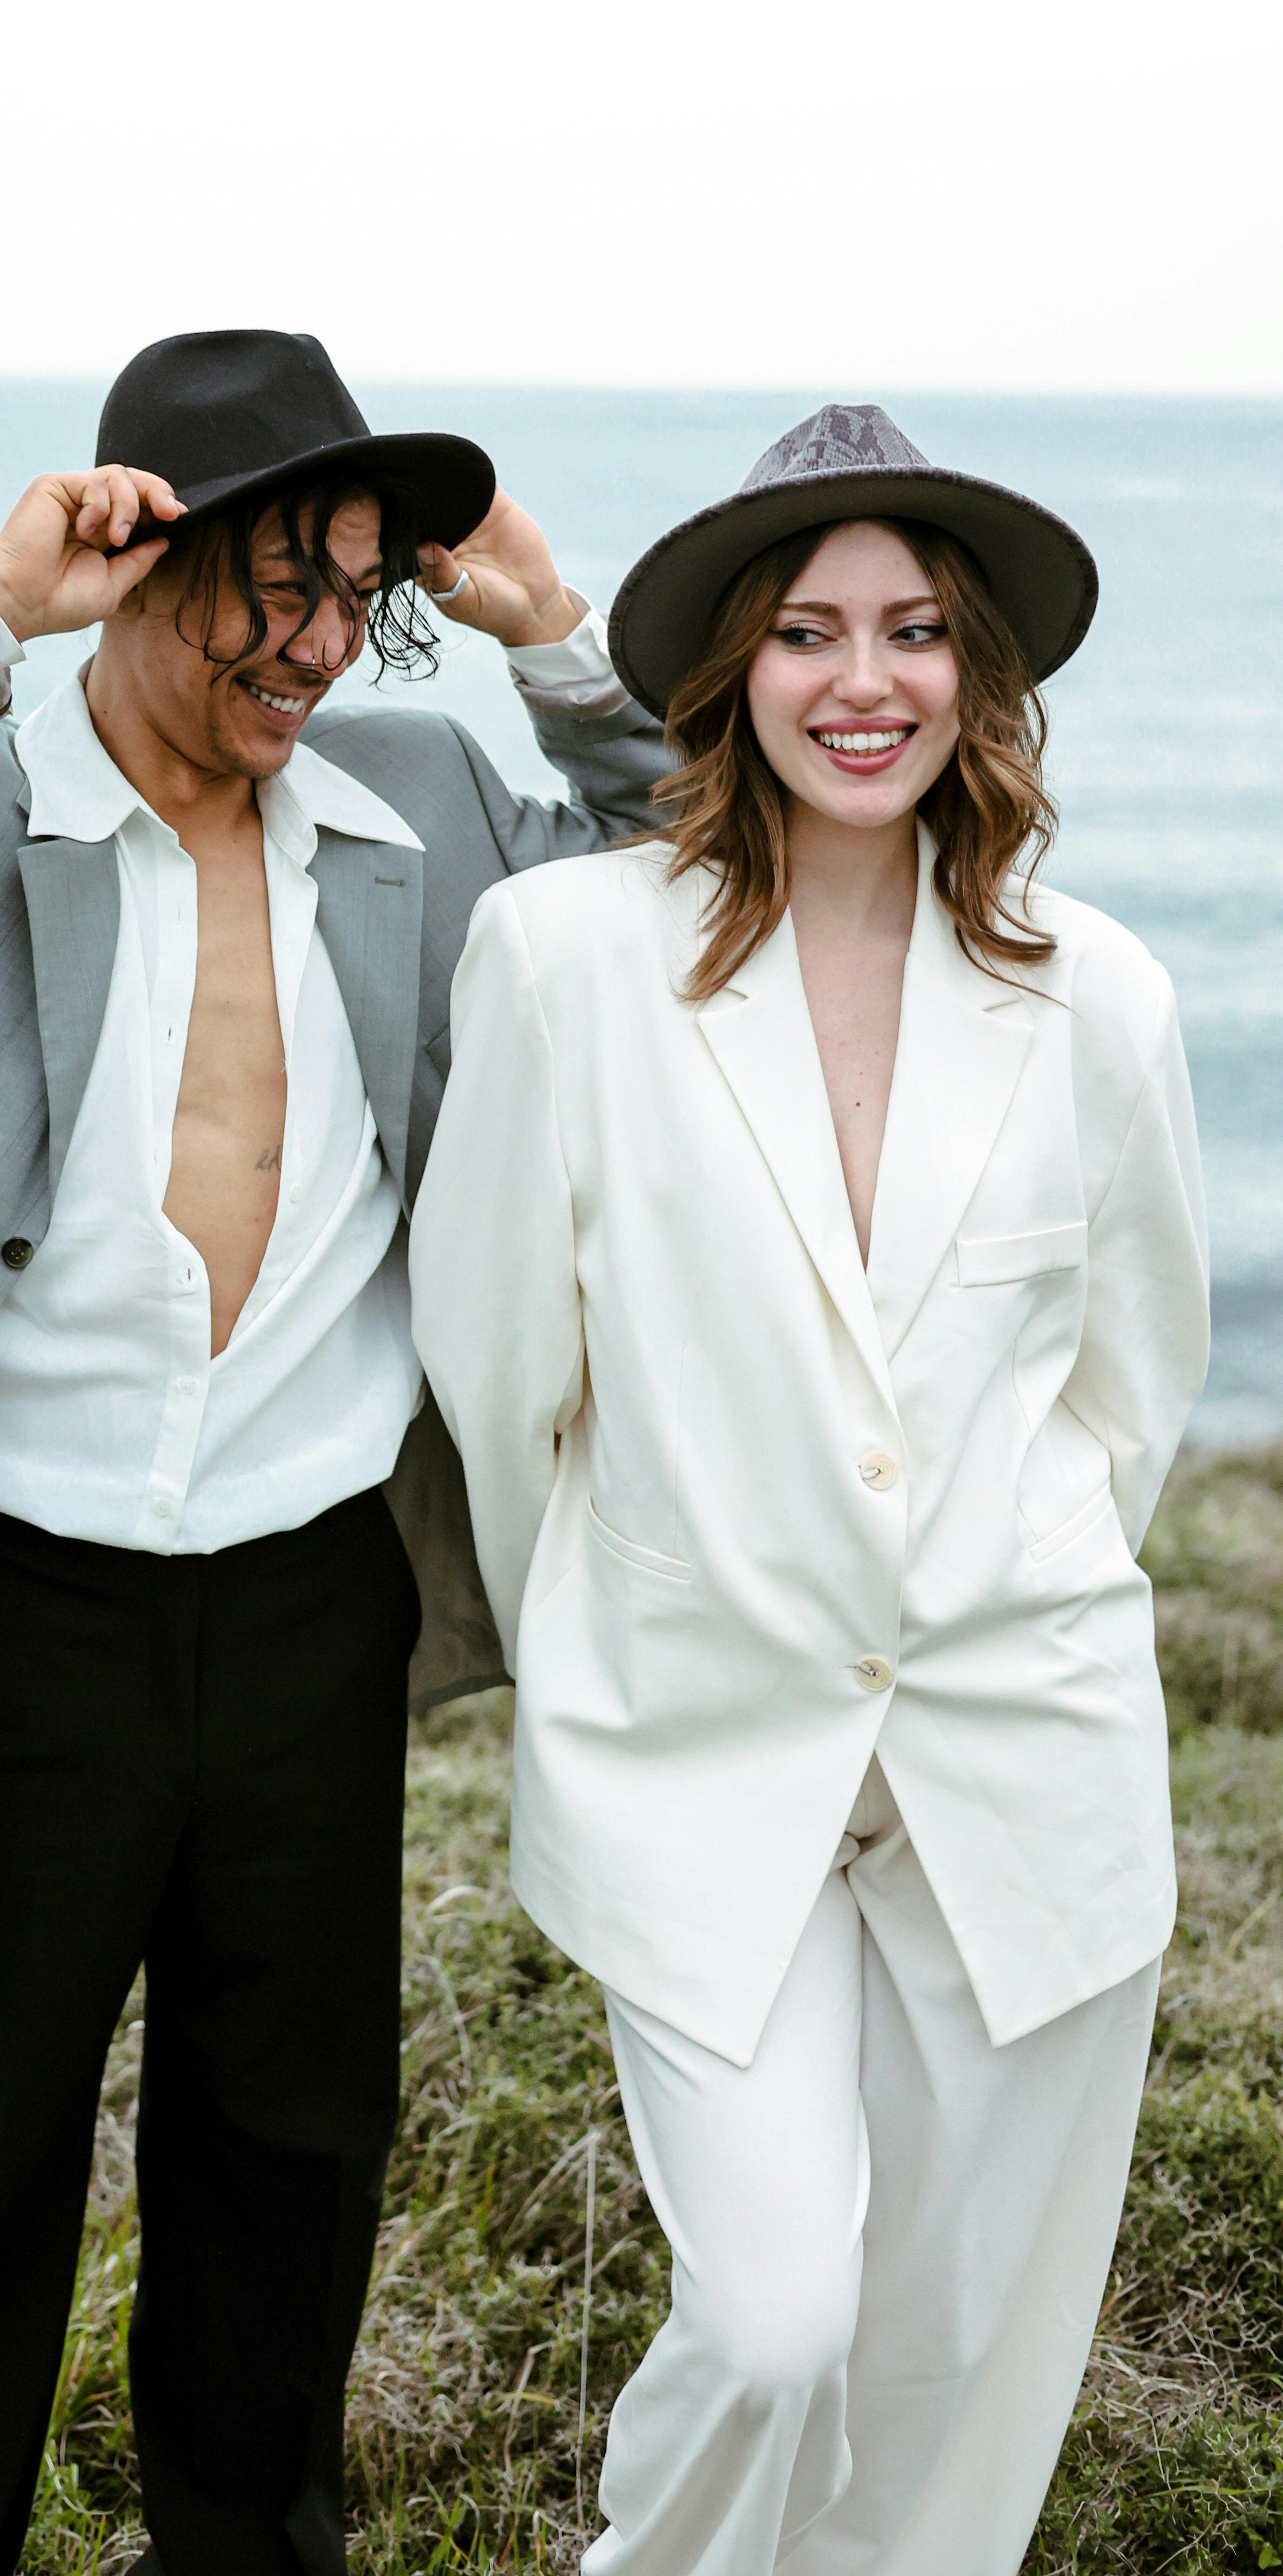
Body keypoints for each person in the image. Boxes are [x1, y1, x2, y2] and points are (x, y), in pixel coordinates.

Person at [0, 328, 669, 2576]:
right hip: (20, 1614)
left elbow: (701, 869)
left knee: (291, 2178)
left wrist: (556, 636)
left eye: (354, 594)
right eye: (273, 584)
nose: (314, 645)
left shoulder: (427, 804)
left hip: (312, 1605)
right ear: (140, 554)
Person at [410, 403, 1209, 2576]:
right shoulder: (566, 958)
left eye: (917, 631)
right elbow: (504, 1379)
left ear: (979, 674)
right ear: (734, 672)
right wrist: (625, 1629)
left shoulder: (1105, 996)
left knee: (959, 2372)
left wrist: (996, 1592)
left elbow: (1127, 1391)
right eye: (810, 632)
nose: (868, 682)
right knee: (775, 2331)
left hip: (1024, 1771)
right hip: (693, 1749)